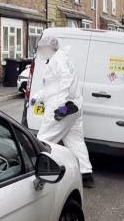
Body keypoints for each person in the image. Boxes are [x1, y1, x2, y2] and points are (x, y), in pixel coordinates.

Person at [30, 36, 94, 188]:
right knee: (75, 141)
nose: (40, 52)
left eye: (41, 49)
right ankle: (86, 174)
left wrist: (61, 105)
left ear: (48, 48)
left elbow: (65, 80)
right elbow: (54, 86)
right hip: (74, 107)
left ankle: (40, 170)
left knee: (44, 138)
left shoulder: (58, 60)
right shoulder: (58, 59)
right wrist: (37, 97)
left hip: (62, 108)